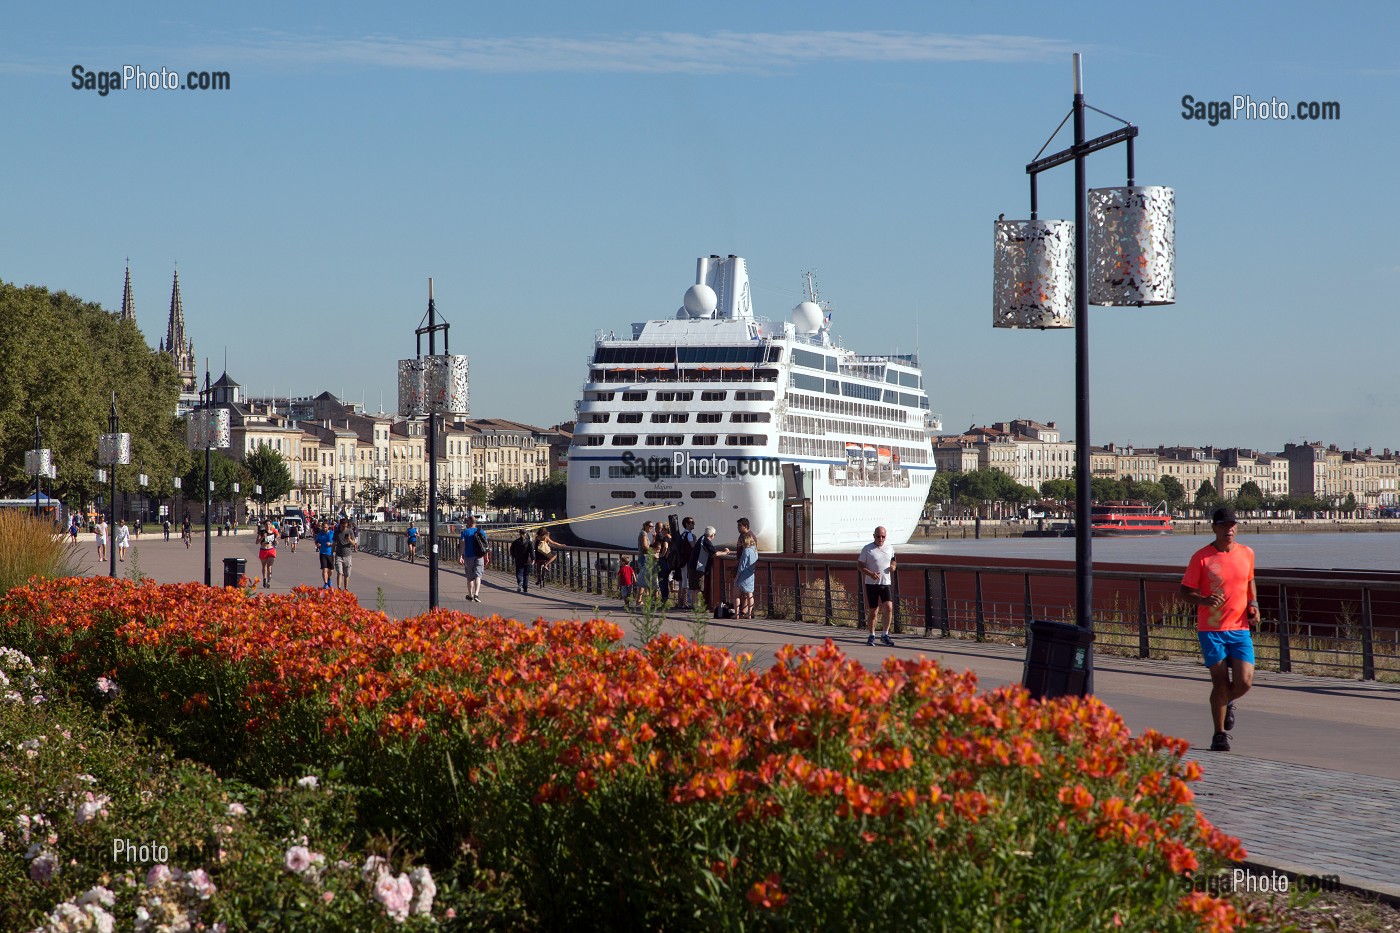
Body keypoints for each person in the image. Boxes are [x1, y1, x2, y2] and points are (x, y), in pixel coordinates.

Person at [1180, 506, 1259, 753]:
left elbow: (1249, 581)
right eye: (1224, 525)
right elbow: (1184, 591)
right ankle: (1219, 735)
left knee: (1245, 682)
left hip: (1240, 627)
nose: (1229, 529)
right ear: (1214, 527)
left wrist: (1254, 604)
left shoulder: (1247, 553)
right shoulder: (1201, 557)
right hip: (1211, 629)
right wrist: (1202, 600)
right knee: (1220, 682)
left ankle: (1228, 703)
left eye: (1233, 525)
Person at [858, 526, 898, 647]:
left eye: (883, 537)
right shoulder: (867, 549)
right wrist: (870, 574)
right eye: (878, 536)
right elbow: (860, 565)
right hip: (871, 584)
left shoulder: (890, 547)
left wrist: (893, 567)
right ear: (874, 536)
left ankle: (885, 634)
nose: (881, 539)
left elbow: (893, 560)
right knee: (874, 611)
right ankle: (872, 635)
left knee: (889, 607)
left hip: (885, 583)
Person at [688, 525, 729, 611]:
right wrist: (725, 552)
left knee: (693, 588)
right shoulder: (706, 541)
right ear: (712, 535)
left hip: (691, 566)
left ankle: (693, 605)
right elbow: (715, 554)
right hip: (699, 567)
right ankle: (698, 607)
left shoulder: (701, 539)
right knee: (699, 587)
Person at [458, 516, 489, 602]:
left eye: (467, 521)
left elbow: (462, 545)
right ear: (475, 523)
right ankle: (476, 594)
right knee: (478, 575)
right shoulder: (481, 531)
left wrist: (460, 556)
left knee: (470, 577)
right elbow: (485, 545)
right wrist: (486, 557)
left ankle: (470, 595)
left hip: (468, 556)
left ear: (469, 522)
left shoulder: (465, 532)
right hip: (479, 556)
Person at [734, 524, 758, 620]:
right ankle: (749, 614)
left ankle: (736, 614)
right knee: (750, 594)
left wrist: (737, 577)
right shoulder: (754, 550)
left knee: (736, 595)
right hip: (751, 575)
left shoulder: (746, 551)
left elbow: (741, 566)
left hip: (743, 575)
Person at [675, 517, 698, 610]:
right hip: (688, 560)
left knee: (684, 580)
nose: (693, 524)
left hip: (682, 560)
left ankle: (683, 602)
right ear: (687, 524)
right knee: (688, 581)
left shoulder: (682, 534)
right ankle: (687, 602)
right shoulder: (689, 535)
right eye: (692, 522)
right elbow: (693, 547)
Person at [333, 518, 357, 591]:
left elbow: (354, 544)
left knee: (346, 574)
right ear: (340, 525)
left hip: (347, 555)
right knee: (339, 572)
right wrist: (332, 552)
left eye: (345, 526)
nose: (344, 528)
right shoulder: (336, 532)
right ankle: (339, 588)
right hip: (339, 555)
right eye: (343, 526)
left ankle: (346, 588)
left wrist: (349, 539)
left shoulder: (350, 531)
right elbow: (334, 543)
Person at [509, 528, 533, 593]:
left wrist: (514, 556)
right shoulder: (529, 542)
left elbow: (511, 550)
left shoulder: (515, 542)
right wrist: (533, 559)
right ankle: (525, 588)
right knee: (526, 574)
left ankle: (520, 582)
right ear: (526, 534)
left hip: (518, 559)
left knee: (519, 573)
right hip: (527, 560)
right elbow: (531, 551)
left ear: (519, 534)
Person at [256, 519, 278, 588]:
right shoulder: (261, 532)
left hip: (271, 550)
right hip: (263, 550)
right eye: (266, 524)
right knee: (264, 567)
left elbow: (276, 540)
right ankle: (264, 579)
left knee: (269, 567)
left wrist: (276, 542)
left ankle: (268, 581)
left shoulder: (273, 532)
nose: (267, 526)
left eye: (269, 524)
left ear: (271, 525)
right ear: (264, 525)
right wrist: (263, 537)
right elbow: (257, 542)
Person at [314, 520, 336, 588]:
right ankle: (326, 583)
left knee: (331, 570)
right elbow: (316, 541)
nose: (324, 529)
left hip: (330, 553)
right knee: (324, 569)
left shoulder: (332, 533)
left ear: (328, 527)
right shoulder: (320, 534)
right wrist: (317, 544)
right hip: (322, 553)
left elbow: (335, 542)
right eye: (323, 527)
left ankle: (328, 578)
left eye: (326, 527)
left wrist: (331, 544)